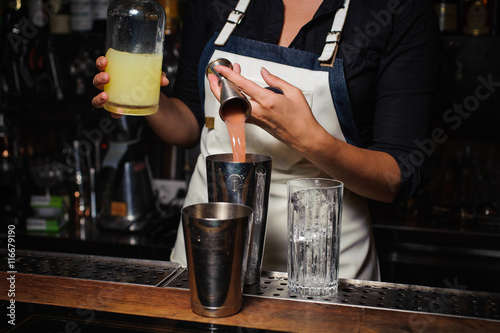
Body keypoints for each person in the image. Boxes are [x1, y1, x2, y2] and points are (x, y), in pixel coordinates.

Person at [92, 0, 442, 280]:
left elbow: (396, 176)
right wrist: (141, 96)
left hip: (323, 271)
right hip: (207, 260)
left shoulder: (399, 10)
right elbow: (188, 126)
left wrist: (308, 138)